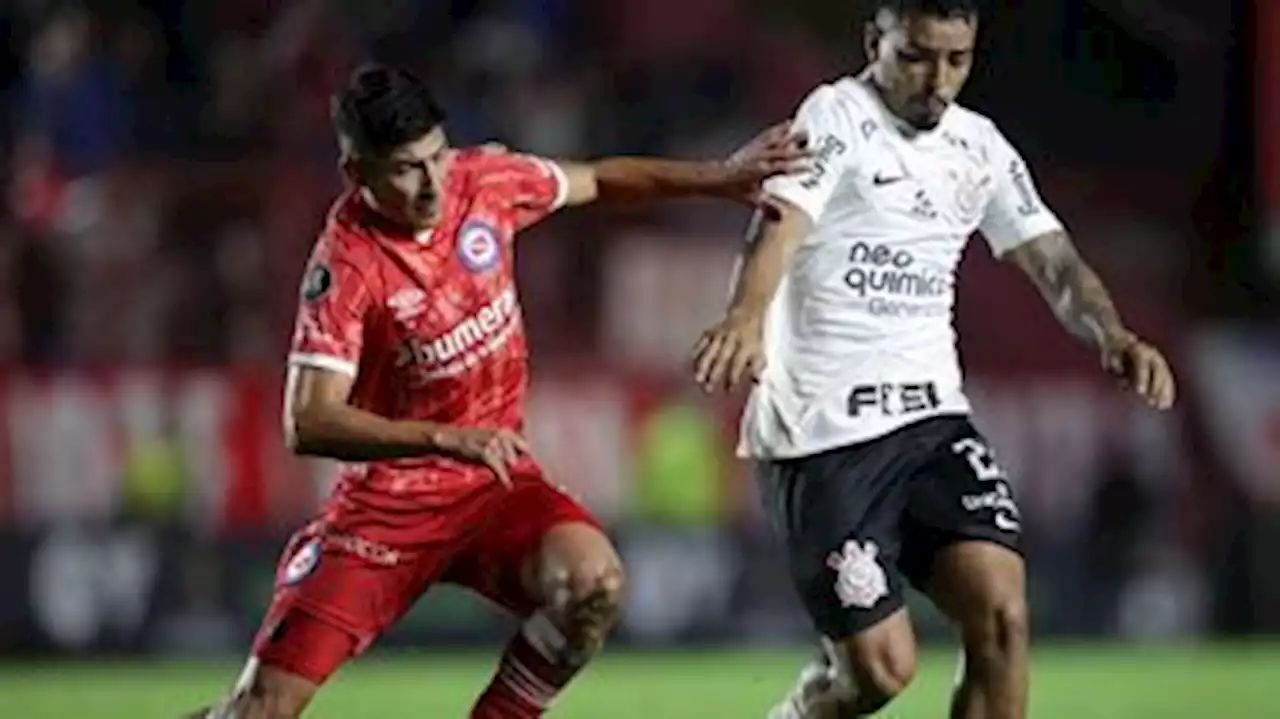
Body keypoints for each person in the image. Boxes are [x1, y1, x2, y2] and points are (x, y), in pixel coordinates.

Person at [190, 63, 806, 719]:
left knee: (592, 582)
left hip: (491, 487)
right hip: (385, 510)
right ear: (357, 173)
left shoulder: (482, 181)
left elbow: (597, 179)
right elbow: (307, 420)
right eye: (404, 169)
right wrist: (443, 437)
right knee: (259, 710)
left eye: (436, 156)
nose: (431, 184)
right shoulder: (346, 267)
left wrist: (719, 176)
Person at [689, 2, 1177, 718]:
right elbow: (779, 226)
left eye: (957, 59)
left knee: (1004, 614)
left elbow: (1055, 262)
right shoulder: (834, 115)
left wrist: (1113, 334)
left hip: (933, 425)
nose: (937, 80)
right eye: (916, 56)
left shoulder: (978, 146)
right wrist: (745, 316)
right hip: (824, 437)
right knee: (879, 674)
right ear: (873, 42)